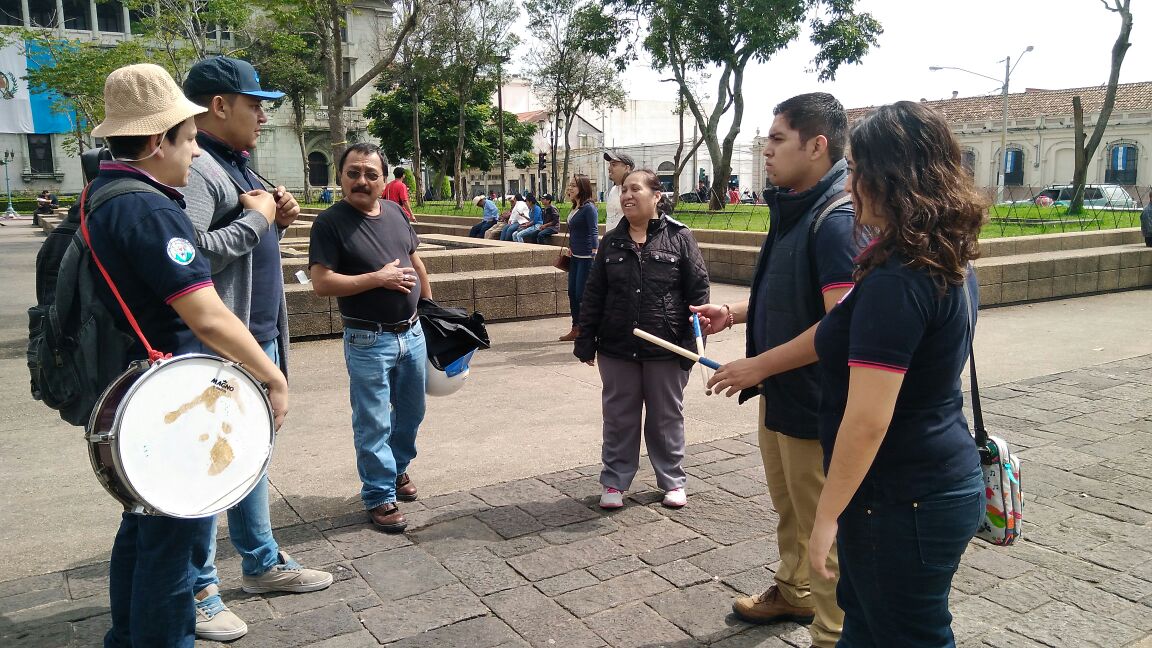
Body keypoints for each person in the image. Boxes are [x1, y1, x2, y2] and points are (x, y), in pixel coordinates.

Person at [86, 63, 289, 648]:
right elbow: (205, 313)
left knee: (143, 531)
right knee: (172, 552)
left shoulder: (104, 193)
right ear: (156, 142)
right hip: (169, 403)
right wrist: (271, 375)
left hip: (137, 392)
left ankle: (125, 638)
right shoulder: (150, 209)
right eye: (190, 139)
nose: (197, 154)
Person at [808, 100, 986, 647]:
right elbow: (832, 334)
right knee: (867, 627)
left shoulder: (899, 280)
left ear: (887, 178)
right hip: (928, 486)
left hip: (902, 498)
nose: (851, 184)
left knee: (911, 635)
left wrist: (825, 518)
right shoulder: (939, 257)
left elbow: (867, 420)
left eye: (858, 171)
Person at [691, 92, 858, 648]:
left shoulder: (835, 220)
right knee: (790, 506)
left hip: (814, 401)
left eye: (778, 138)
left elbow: (839, 327)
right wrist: (736, 313)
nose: (766, 149)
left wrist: (756, 365)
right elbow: (794, 297)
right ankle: (794, 592)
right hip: (782, 394)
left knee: (820, 524)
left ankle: (832, 633)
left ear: (818, 145)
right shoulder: (795, 207)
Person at [180, 55, 332, 642]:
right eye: (254, 104)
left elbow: (246, 231)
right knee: (210, 460)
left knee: (250, 453)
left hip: (259, 333)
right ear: (220, 107)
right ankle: (199, 587)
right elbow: (184, 253)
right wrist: (256, 221)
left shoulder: (237, 164)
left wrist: (277, 217)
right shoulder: (197, 169)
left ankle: (261, 561)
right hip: (222, 344)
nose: (263, 114)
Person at [308, 142, 431, 533]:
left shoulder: (395, 212)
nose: (362, 181)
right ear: (341, 177)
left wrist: (430, 309)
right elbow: (322, 282)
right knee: (374, 421)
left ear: (384, 179)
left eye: (371, 174)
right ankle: (379, 495)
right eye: (353, 173)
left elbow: (415, 261)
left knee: (412, 414)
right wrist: (378, 279)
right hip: (367, 340)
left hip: (412, 332)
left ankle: (397, 470)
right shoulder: (330, 223)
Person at [575, 169, 709, 509]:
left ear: (656, 196)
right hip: (617, 346)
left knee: (666, 417)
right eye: (623, 189)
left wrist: (692, 344)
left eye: (635, 188)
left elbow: (698, 293)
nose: (627, 195)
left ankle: (672, 481)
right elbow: (594, 294)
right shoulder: (611, 241)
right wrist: (585, 338)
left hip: (667, 345)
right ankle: (615, 482)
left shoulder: (680, 237)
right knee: (619, 415)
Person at [558, 174, 599, 342]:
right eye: (569, 185)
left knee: (582, 294)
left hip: (586, 257)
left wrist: (595, 251)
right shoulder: (575, 207)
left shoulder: (589, 208)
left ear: (583, 187)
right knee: (572, 293)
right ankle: (576, 328)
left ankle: (587, 328)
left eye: (574, 185)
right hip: (575, 255)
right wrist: (570, 247)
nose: (570, 188)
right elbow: (575, 231)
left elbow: (594, 230)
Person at [604, 150, 636, 233]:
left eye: (614, 165)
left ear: (626, 168)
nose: (609, 168)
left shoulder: (636, 191)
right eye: (609, 164)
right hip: (611, 242)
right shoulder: (613, 190)